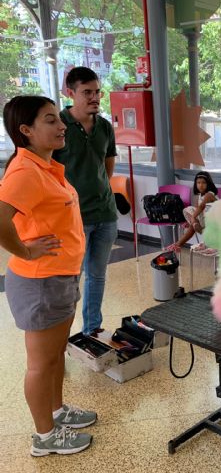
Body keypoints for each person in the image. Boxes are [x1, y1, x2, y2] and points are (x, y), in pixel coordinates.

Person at [0, 96, 95, 456]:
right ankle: (45, 437)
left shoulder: (44, 166)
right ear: (26, 131)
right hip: (40, 281)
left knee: (55, 355)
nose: (61, 126)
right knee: (41, 363)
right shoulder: (25, 171)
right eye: (51, 121)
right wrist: (24, 250)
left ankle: (57, 412)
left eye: (59, 119)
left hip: (59, 277)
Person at [53, 66, 118, 337]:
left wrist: (98, 191)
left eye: (97, 91)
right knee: (70, 281)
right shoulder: (57, 127)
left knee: (97, 276)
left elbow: (108, 166)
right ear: (70, 93)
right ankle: (59, 338)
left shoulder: (104, 126)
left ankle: (91, 330)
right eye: (87, 92)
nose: (95, 97)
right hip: (73, 219)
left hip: (106, 215)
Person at [166, 171, 218, 253]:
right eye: (198, 182)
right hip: (203, 220)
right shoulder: (200, 195)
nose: (200, 185)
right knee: (190, 217)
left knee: (188, 210)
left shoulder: (209, 195)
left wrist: (193, 217)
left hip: (211, 221)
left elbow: (201, 207)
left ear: (209, 184)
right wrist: (191, 220)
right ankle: (178, 244)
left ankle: (178, 244)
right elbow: (197, 208)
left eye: (204, 183)